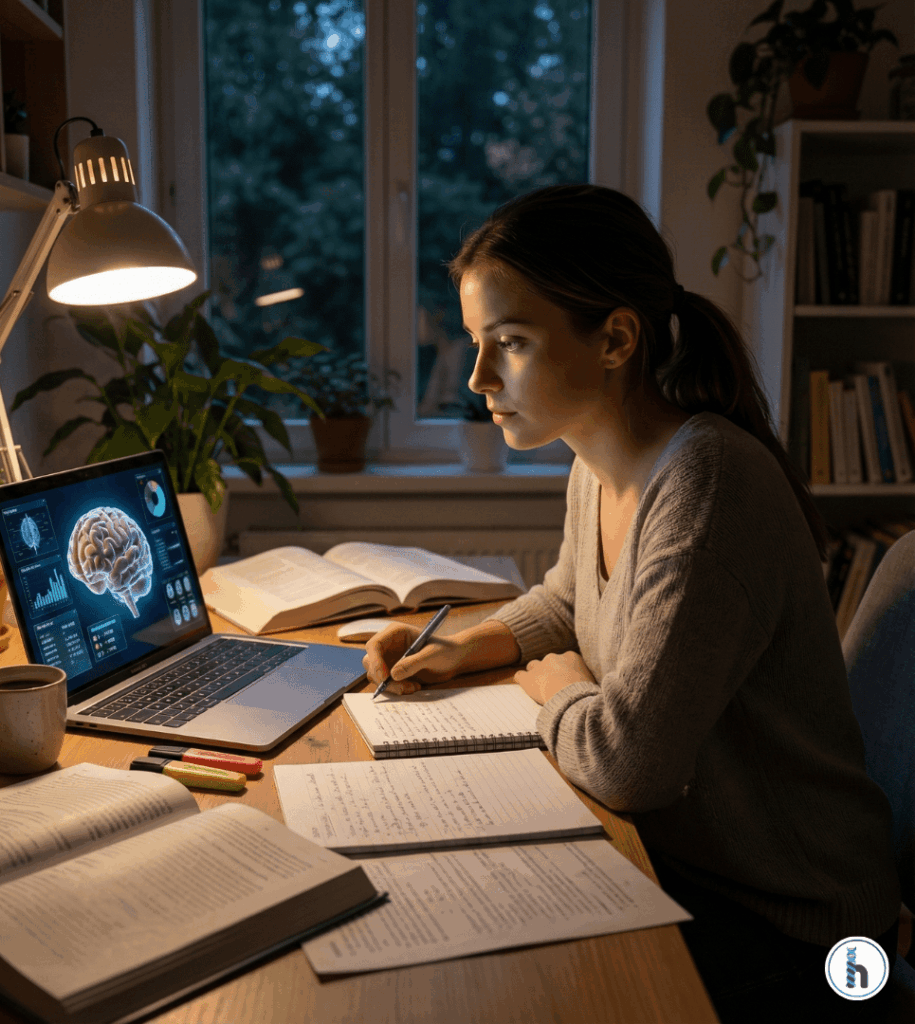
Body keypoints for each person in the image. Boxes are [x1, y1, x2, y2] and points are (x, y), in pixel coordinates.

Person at [362, 184, 902, 1022]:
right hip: (691, 866)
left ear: (616, 337)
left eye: (509, 342)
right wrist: (472, 644)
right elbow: (569, 601)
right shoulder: (599, 462)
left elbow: (627, 764)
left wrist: (557, 690)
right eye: (477, 343)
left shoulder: (705, 489)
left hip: (799, 927)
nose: (476, 377)